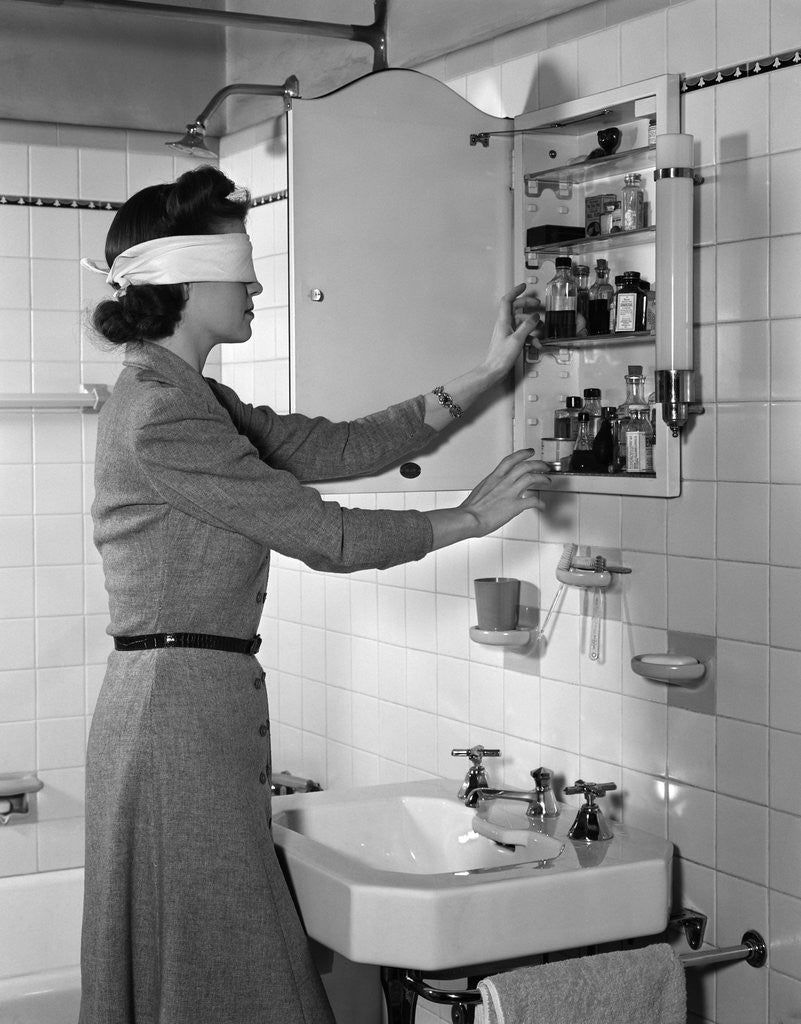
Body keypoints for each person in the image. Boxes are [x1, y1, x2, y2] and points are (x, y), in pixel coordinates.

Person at [79, 164, 549, 1024]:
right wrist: (467, 519)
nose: (257, 281)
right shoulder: (163, 414)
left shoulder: (191, 396)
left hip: (185, 706)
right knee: (231, 960)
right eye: (240, 266)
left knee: (212, 960)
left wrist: (487, 371)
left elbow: (338, 447)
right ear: (183, 280)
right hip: (173, 717)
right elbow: (321, 534)